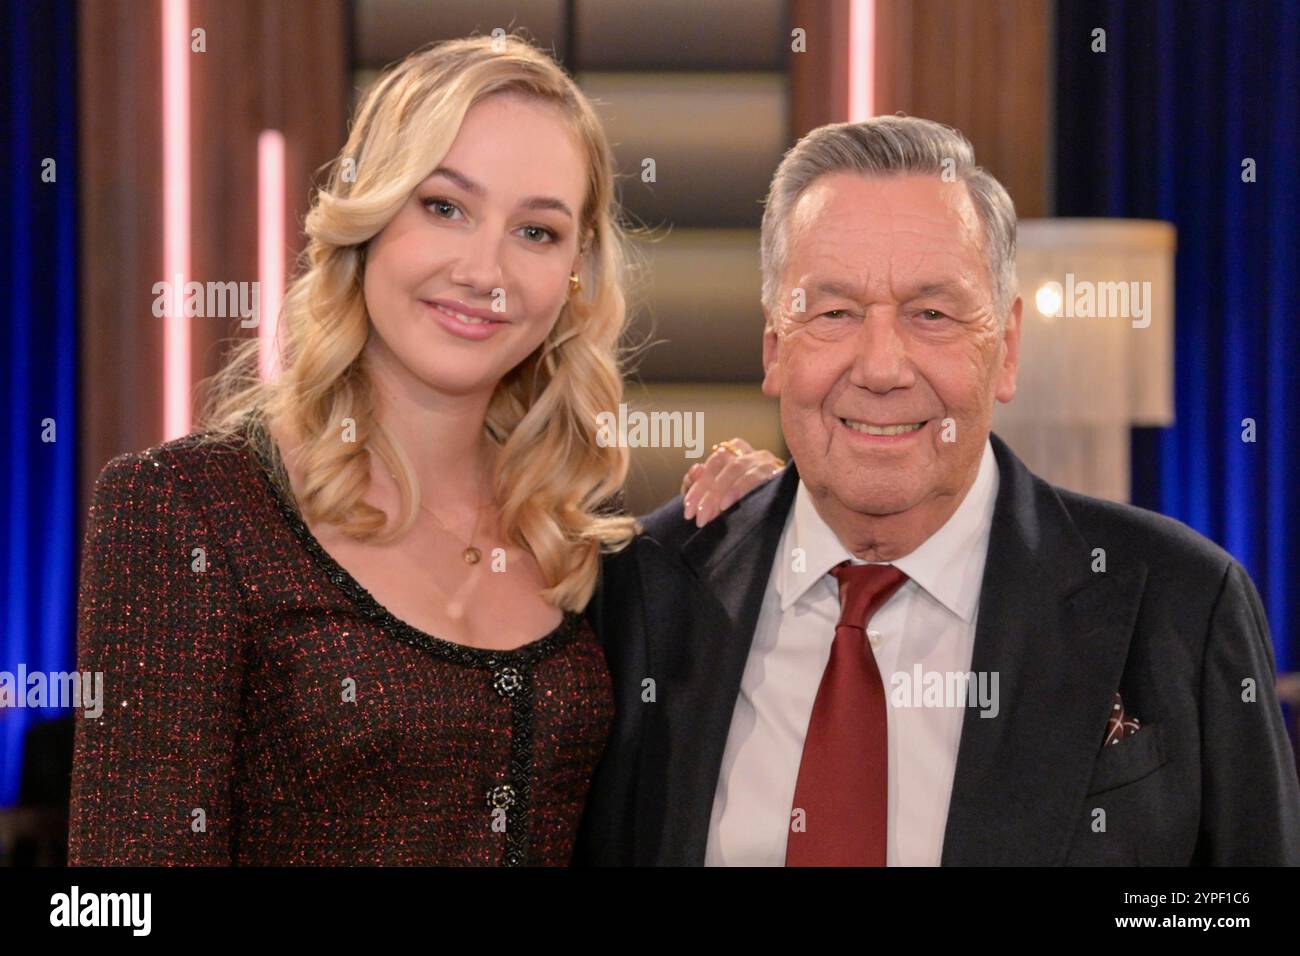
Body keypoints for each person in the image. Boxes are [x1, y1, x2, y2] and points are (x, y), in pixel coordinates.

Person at [68, 34, 777, 866]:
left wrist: (769, 522)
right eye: (444, 207)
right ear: (368, 214)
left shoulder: (578, 546)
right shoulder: (188, 505)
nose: (486, 270)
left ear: (576, 273)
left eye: (538, 232)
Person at [575, 115, 1300, 866]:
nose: (882, 367)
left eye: (932, 314)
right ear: (774, 351)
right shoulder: (641, 595)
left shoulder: (1183, 602)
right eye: (834, 313)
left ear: (1008, 348)